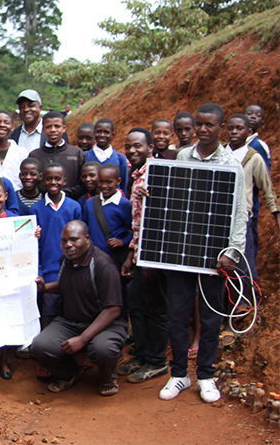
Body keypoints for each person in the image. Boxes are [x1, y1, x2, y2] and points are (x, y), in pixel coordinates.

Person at [160, 103, 247, 404]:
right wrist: (152, 194)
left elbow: (240, 212)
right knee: (177, 315)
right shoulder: (183, 156)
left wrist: (233, 253)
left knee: (210, 319)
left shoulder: (231, 163)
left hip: (215, 252)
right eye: (199, 124)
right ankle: (179, 374)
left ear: (221, 128)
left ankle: (206, 376)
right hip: (182, 250)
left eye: (209, 125)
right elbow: (173, 198)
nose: (202, 129)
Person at [31, 221, 128, 396]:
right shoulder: (65, 261)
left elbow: (113, 309)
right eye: (64, 241)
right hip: (72, 322)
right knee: (40, 346)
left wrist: (82, 339)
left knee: (103, 349)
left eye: (74, 239)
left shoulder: (103, 265)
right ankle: (70, 373)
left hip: (106, 324)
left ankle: (107, 376)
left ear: (87, 239)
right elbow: (67, 285)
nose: (68, 245)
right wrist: (44, 288)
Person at [118, 127, 170, 384]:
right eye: (128, 146)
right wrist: (132, 255)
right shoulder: (136, 175)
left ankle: (157, 361)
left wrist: (151, 258)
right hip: (139, 254)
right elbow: (138, 223)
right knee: (137, 305)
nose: (132, 150)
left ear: (150, 148)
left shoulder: (157, 174)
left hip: (154, 256)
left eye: (137, 145)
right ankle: (141, 354)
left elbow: (161, 220)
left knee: (156, 309)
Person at [225, 114, 279, 279]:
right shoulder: (220, 154)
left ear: (249, 132)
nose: (234, 132)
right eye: (231, 128)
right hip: (220, 215)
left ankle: (247, 293)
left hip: (242, 218)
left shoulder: (254, 158)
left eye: (239, 128)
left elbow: (267, 188)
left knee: (244, 263)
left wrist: (276, 213)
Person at [31, 164, 83, 323]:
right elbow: (34, 245)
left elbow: (81, 241)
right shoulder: (36, 209)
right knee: (48, 312)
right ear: (42, 181)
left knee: (71, 310)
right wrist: (39, 270)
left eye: (57, 179)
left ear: (64, 181)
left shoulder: (74, 207)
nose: (53, 182)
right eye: (49, 179)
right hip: (48, 270)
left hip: (71, 268)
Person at [81, 164, 132, 268]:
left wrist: (123, 242)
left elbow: (135, 231)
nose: (104, 186)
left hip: (114, 258)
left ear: (118, 181)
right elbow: (85, 228)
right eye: (101, 181)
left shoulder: (124, 204)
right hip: (92, 257)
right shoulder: (90, 203)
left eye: (109, 182)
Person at [29, 111, 86, 199]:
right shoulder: (35, 155)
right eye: (48, 127)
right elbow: (33, 183)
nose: (53, 130)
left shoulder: (77, 153)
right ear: (43, 130)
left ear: (64, 128)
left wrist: (63, 194)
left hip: (72, 202)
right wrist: (50, 193)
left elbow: (83, 182)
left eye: (57, 126)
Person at [83, 119, 129, 192]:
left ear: (112, 135)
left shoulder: (120, 158)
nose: (102, 135)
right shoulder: (84, 156)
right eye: (99, 132)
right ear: (94, 133)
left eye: (106, 132)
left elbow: (124, 185)